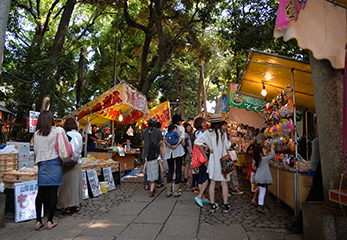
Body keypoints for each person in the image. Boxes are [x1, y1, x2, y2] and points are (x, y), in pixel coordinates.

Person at [34, 110, 65, 230]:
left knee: (41, 192)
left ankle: (38, 221)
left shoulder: (36, 133)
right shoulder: (57, 131)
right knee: (53, 192)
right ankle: (50, 221)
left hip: (42, 163)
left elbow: (36, 151)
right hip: (55, 161)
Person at [194, 114, 232, 213]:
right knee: (224, 183)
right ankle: (225, 205)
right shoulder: (223, 132)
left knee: (213, 182)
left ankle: (213, 204)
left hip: (213, 161)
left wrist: (208, 147)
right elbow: (228, 146)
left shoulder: (207, 132)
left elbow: (197, 142)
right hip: (223, 160)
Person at [57, 118, 83, 214]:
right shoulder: (79, 135)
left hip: (67, 161)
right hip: (77, 161)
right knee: (76, 184)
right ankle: (76, 204)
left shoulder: (65, 134)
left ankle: (67, 206)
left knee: (67, 185)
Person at [163, 114, 185, 197]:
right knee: (178, 170)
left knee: (170, 170)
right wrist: (176, 145)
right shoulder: (181, 128)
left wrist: (169, 145)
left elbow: (164, 138)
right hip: (178, 151)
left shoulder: (167, 128)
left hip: (169, 152)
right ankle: (176, 191)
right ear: (179, 121)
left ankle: (168, 191)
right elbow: (182, 137)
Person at [221, 121, 243, 195]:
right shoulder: (221, 134)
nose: (226, 127)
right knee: (227, 172)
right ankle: (226, 190)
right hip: (225, 155)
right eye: (224, 126)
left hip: (228, 155)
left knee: (232, 171)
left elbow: (228, 144)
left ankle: (233, 188)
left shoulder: (225, 134)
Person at [141, 118, 163, 190]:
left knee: (146, 168)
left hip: (146, 152)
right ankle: (158, 182)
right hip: (155, 152)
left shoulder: (144, 131)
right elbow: (160, 141)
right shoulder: (158, 131)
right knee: (157, 167)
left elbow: (143, 142)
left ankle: (146, 184)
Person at [193, 117, 210, 206]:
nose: (205, 124)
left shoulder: (196, 133)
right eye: (203, 123)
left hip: (198, 157)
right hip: (202, 157)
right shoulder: (200, 133)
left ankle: (203, 197)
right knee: (205, 176)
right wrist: (206, 152)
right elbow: (201, 145)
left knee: (201, 176)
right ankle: (200, 196)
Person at [253, 144, 275, 213]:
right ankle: (260, 205)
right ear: (260, 153)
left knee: (261, 192)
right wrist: (272, 148)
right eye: (263, 150)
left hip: (258, 179)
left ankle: (261, 204)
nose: (265, 150)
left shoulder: (258, 160)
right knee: (262, 192)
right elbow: (272, 156)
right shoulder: (264, 159)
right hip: (262, 179)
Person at [183, 122, 193, 187]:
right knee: (187, 166)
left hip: (188, 152)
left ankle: (186, 180)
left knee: (187, 166)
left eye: (190, 127)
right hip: (188, 153)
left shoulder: (187, 134)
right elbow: (186, 145)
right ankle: (185, 180)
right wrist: (190, 152)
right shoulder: (186, 135)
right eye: (188, 127)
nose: (189, 128)